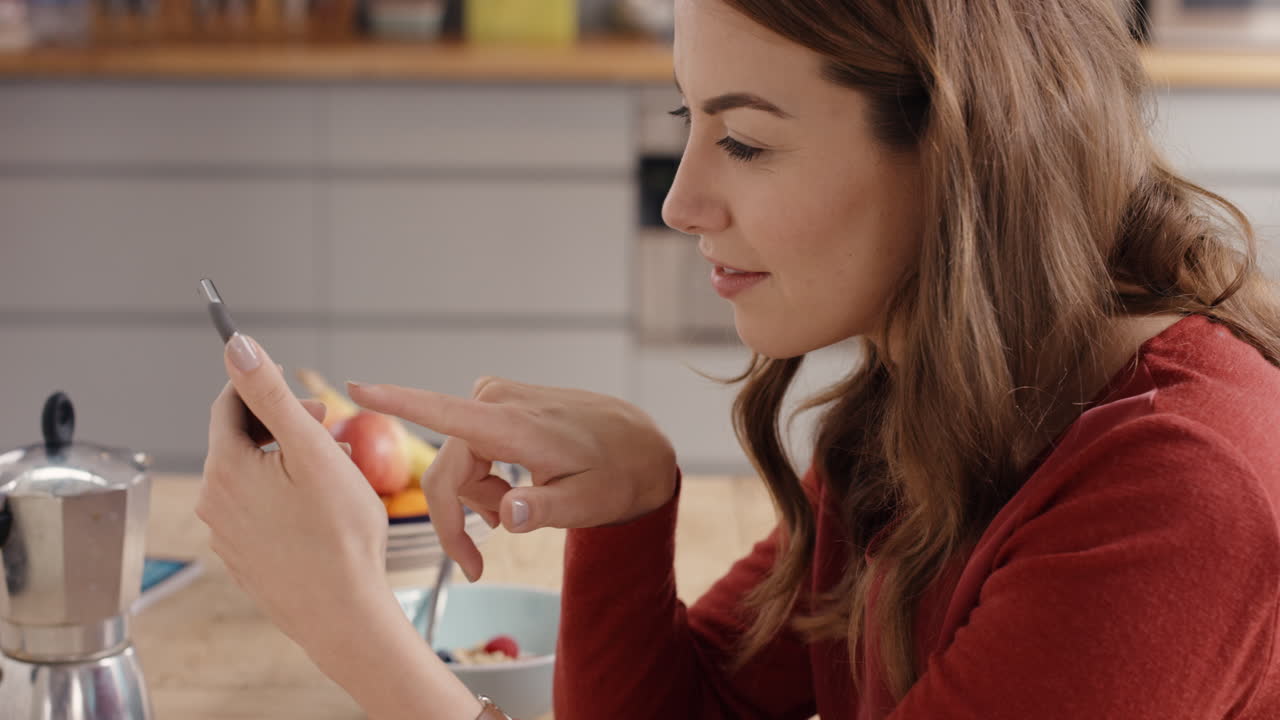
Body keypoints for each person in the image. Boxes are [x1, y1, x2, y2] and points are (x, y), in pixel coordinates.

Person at [198, 0, 1280, 718]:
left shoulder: (1182, 494)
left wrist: (360, 635)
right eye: (691, 120)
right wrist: (627, 505)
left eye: (747, 141)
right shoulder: (931, 409)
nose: (682, 202)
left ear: (961, 152)